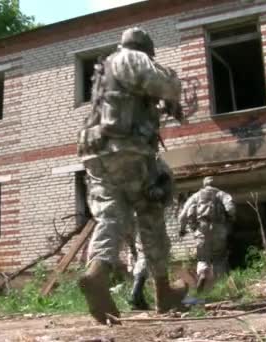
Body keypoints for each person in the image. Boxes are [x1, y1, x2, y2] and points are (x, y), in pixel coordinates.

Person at [77, 27, 186, 324]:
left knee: (111, 217)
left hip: (96, 154)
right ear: (145, 48)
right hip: (129, 151)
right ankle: (164, 292)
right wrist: (172, 89)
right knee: (151, 212)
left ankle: (97, 273)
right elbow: (167, 85)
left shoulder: (104, 70)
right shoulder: (132, 58)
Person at [178, 176, 235, 293]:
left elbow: (182, 215)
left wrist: (182, 229)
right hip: (219, 228)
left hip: (201, 229)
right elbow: (231, 209)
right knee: (219, 258)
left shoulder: (196, 196)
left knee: (203, 258)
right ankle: (221, 288)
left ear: (204, 185)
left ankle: (203, 274)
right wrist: (231, 218)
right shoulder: (221, 194)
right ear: (215, 184)